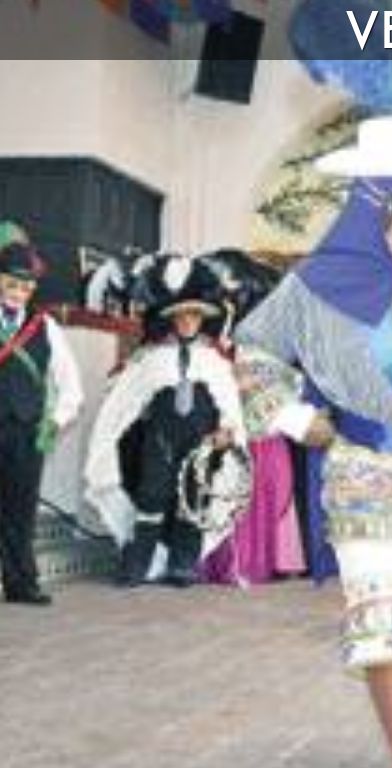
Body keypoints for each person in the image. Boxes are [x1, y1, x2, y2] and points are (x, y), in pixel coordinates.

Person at [234, 115, 392, 768]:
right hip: (363, 473)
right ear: (377, 213)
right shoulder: (315, 287)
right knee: (388, 632)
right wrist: (297, 419)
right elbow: (254, 349)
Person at [84, 255, 246, 588]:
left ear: (202, 319)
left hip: (201, 441)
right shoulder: (152, 359)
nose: (187, 322)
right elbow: (124, 403)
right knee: (151, 496)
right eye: (181, 316)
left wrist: (227, 429)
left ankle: (182, 564)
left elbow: (229, 405)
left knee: (193, 498)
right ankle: (138, 564)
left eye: (194, 315)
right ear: (171, 319)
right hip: (160, 439)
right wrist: (116, 431)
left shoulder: (214, 361)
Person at [0, 242, 83, 605]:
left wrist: (55, 422)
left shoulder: (45, 327)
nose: (18, 292)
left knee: (20, 510)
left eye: (25, 286)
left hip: (25, 431)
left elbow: (71, 386)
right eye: (11, 284)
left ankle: (21, 583)